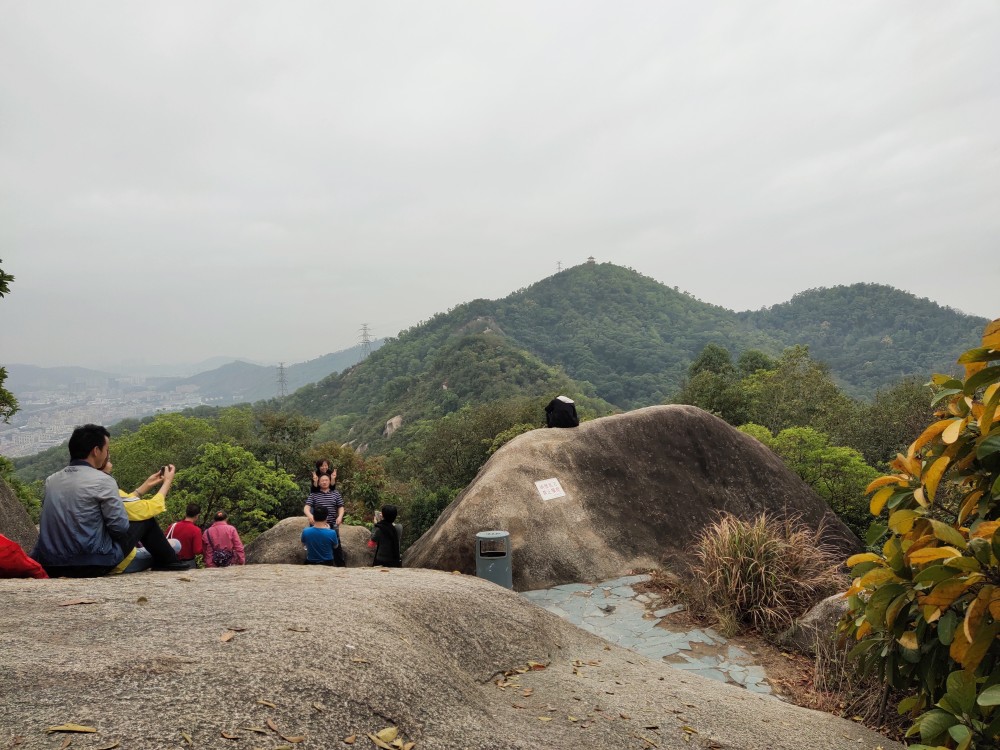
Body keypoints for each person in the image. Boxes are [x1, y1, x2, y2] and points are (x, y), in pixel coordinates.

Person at [31, 424, 185, 577]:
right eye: (106, 450)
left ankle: (167, 560)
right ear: (96, 451)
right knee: (146, 520)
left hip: (51, 564)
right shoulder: (103, 480)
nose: (106, 454)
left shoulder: (51, 480)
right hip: (92, 563)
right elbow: (119, 527)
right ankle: (169, 561)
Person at [304, 473, 345, 566]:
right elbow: (306, 508)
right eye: (322, 480)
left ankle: (340, 566)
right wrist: (310, 515)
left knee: (337, 546)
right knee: (314, 544)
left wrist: (340, 516)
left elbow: (341, 507)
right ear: (318, 482)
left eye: (326, 480)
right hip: (316, 523)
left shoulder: (335, 493)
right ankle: (312, 563)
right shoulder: (314, 494)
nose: (324, 482)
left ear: (330, 481)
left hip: (331, 523)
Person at [166, 503, 204, 568]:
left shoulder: (172, 526)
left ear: (186, 513)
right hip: (188, 562)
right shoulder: (196, 530)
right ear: (197, 515)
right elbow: (197, 550)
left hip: (172, 561)